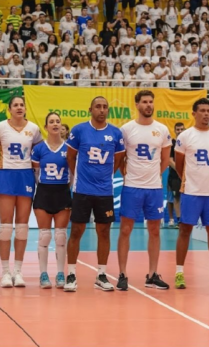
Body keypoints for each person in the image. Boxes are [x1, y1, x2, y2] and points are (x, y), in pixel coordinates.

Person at [64, 97, 125, 292]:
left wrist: (104, 177)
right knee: (76, 231)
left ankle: (101, 274)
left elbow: (117, 160)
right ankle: (71, 273)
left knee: (104, 232)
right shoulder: (79, 130)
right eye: (98, 107)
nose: (101, 110)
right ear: (90, 109)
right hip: (82, 190)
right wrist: (81, 177)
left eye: (105, 107)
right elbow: (71, 157)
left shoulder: (115, 133)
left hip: (105, 191)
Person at [173, 98, 209, 289]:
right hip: (191, 191)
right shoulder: (186, 136)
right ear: (194, 113)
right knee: (185, 231)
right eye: (202, 111)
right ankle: (179, 273)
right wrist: (190, 179)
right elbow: (179, 165)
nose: (206, 114)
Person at [116, 90, 171, 291]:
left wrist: (155, 175)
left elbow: (165, 158)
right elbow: (120, 157)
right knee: (125, 229)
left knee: (155, 230)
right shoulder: (126, 129)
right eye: (144, 102)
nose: (148, 105)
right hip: (132, 187)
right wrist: (127, 174)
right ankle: (122, 273)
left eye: (151, 102)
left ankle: (152, 274)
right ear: (137, 104)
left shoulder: (162, 130)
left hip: (154, 188)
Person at [0, 96, 43, 287]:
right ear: (9, 108)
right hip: (6, 176)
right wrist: (1, 170)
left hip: (26, 176)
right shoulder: (0, 127)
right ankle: (5, 272)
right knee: (5, 225)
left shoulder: (34, 129)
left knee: (22, 225)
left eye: (22, 105)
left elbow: (38, 154)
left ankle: (18, 271)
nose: (19, 108)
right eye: (15, 105)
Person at [31, 112, 72, 288]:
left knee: (61, 236)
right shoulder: (39, 149)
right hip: (44, 192)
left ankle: (61, 274)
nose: (55, 124)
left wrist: (64, 187)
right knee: (45, 236)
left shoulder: (69, 148)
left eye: (58, 121)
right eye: (51, 122)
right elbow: (35, 173)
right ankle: (43, 274)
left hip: (62, 192)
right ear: (46, 127)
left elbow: (72, 173)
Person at [165, 122, 185, 228]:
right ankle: (175, 220)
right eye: (178, 129)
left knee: (183, 198)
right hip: (174, 176)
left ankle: (183, 219)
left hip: (186, 176)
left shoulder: (188, 143)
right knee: (173, 198)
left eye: (182, 129)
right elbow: (169, 160)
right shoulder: (172, 144)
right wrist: (180, 170)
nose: (180, 131)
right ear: (175, 131)